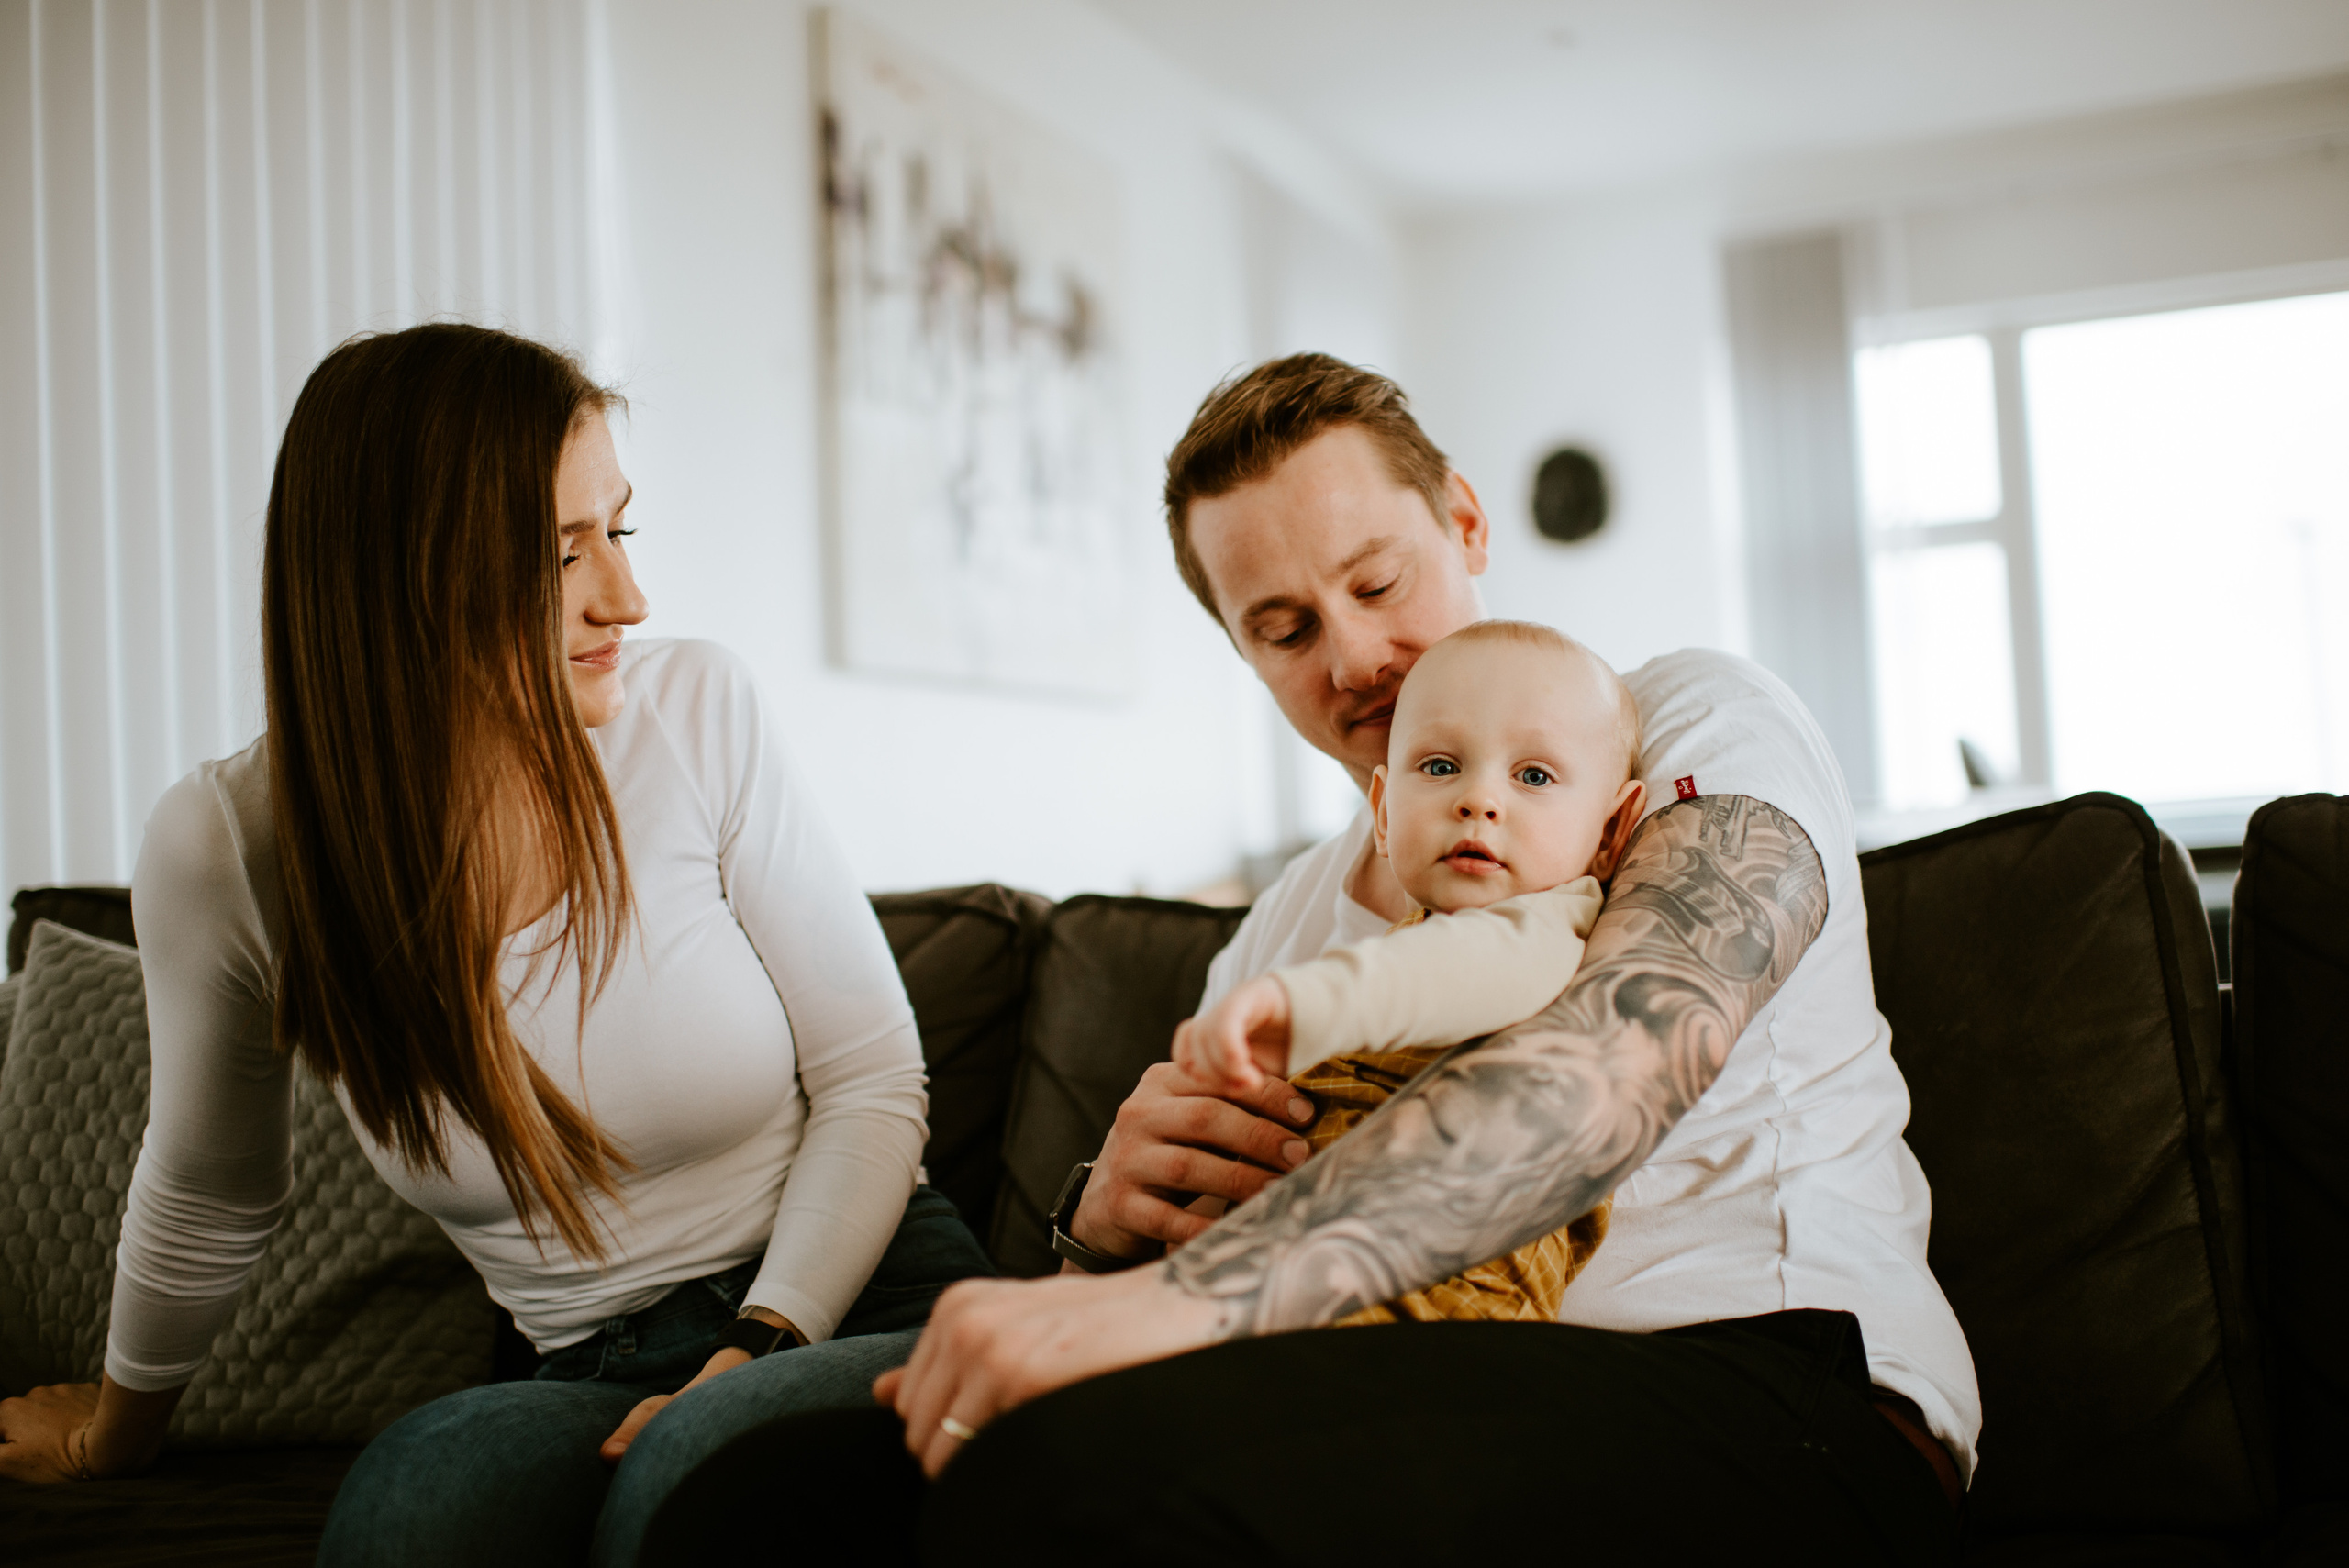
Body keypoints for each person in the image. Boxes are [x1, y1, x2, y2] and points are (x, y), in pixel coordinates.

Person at [645, 352, 1979, 1564]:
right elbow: (1139, 1298)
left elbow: (1615, 1060)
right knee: (756, 1502)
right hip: (1386, 1391)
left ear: (1465, 521)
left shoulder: (1682, 717)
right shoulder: (1280, 928)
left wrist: (1183, 1305)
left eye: (1377, 582)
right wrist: (1107, 1234)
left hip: (1783, 1386)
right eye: (1282, 628)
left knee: (1067, 1491)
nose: (1353, 657)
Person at [0, 325, 992, 1568]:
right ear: (403, 575)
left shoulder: (693, 711)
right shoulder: (232, 844)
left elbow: (871, 1076)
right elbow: (210, 1186)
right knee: (410, 1507)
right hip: (582, 1366)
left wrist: (759, 1347)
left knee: (694, 1474)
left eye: (617, 531)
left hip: (859, 1302)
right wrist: (114, 1433)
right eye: (559, 552)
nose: (625, 597)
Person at [1170, 620, 1643, 1324]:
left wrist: (1297, 1008)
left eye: (1534, 776)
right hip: (1325, 1265)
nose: (1479, 800)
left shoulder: (1554, 927)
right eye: (1441, 766)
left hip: (1454, 1287)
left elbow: (1447, 975)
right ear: (1384, 815)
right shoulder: (1407, 941)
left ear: (1609, 834)